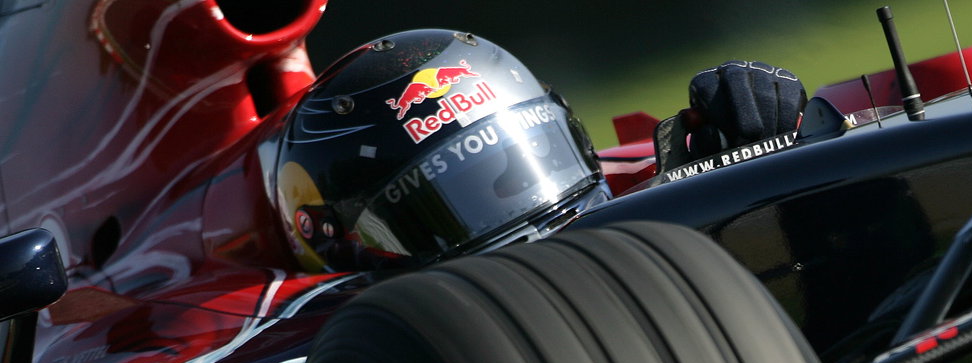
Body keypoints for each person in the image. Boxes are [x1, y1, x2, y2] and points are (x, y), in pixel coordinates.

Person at [272, 29, 806, 273]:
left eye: (529, 158)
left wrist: (764, 149)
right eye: (451, 207)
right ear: (332, 240)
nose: (546, 230)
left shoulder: (634, 174)